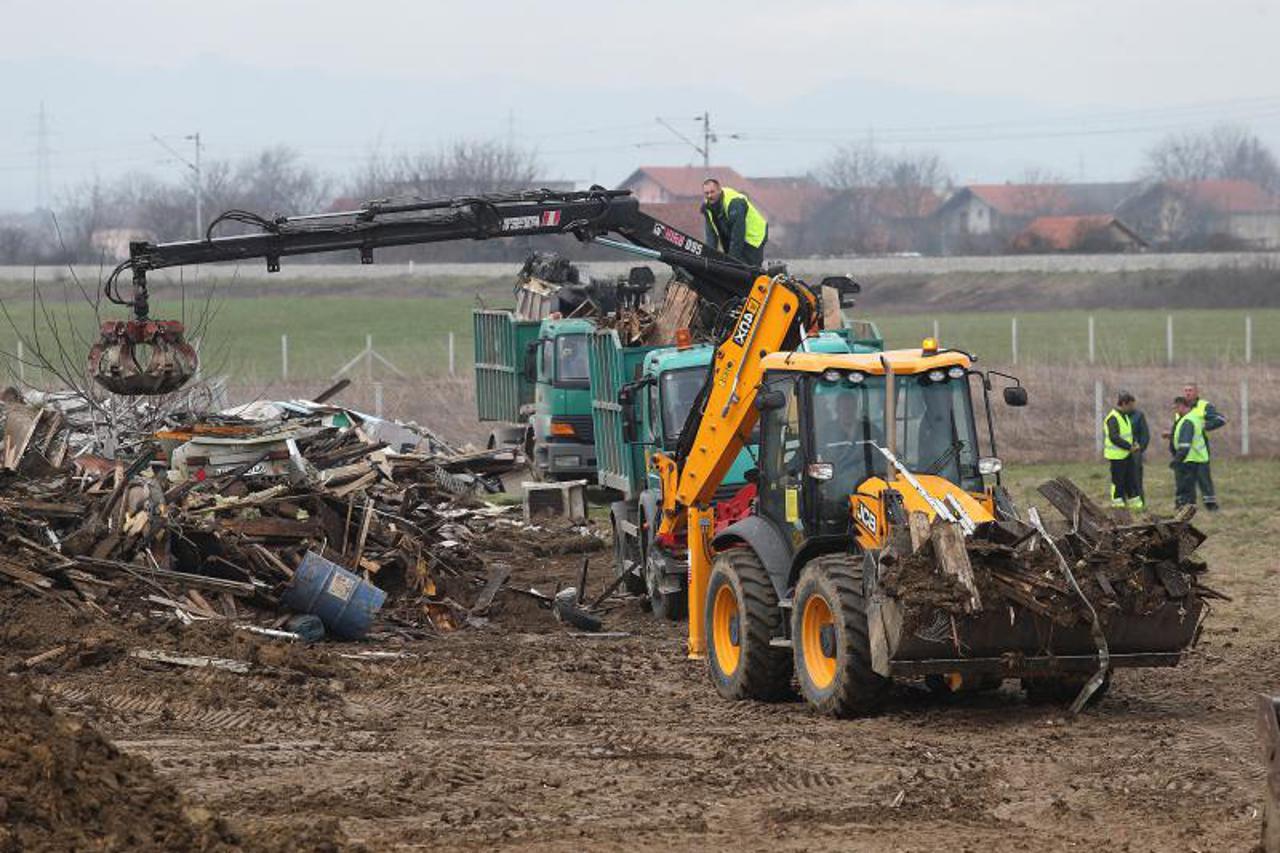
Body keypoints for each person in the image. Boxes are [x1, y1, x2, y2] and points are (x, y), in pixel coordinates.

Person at [701, 179, 768, 266]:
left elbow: (738, 235)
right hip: (734, 235)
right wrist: (709, 259)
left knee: (750, 268)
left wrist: (731, 261)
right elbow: (711, 236)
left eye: (712, 192)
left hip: (754, 236)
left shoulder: (734, 202)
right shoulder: (708, 207)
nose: (709, 195)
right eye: (706, 193)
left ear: (719, 190)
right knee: (733, 263)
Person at [1182, 382, 1224, 510]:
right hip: (1185, 449)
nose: (1188, 393)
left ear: (1197, 392)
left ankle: (1210, 504)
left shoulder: (1204, 406)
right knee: (1186, 478)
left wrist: (1204, 426)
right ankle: (1188, 505)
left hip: (1200, 449)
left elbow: (1220, 419)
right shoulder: (1182, 407)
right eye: (1186, 391)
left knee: (1203, 477)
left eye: (1190, 390)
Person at [1102, 391, 1143, 510]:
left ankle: (1135, 505)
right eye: (1130, 405)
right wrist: (1129, 446)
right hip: (1116, 456)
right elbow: (1114, 437)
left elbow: (1127, 434)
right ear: (1124, 404)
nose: (1132, 408)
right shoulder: (1113, 418)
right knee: (1118, 481)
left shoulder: (1124, 416)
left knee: (1131, 479)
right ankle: (1117, 505)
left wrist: (1133, 442)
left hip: (1126, 454)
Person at [1169, 396, 1210, 509]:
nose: (1176, 411)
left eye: (1176, 408)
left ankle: (1184, 509)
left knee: (1184, 488)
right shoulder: (1192, 418)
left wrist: (1177, 460)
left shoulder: (1187, 421)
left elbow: (1185, 444)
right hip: (1194, 457)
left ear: (1182, 406)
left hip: (1188, 458)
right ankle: (1189, 508)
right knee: (1189, 488)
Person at [1129, 402, 1151, 507]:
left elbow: (1145, 435)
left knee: (1136, 480)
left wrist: (1140, 448)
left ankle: (1138, 505)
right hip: (1120, 454)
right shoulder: (1116, 416)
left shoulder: (1138, 416)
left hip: (1134, 453)